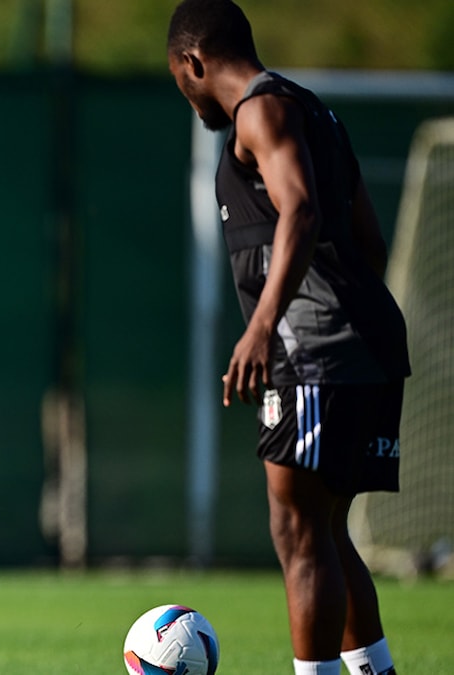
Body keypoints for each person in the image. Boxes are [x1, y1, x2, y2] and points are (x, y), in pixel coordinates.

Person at [166, 2, 410, 675]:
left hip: (315, 349)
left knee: (298, 529)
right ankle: (376, 670)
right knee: (324, 527)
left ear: (193, 62)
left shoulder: (259, 110)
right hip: (364, 343)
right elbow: (369, 240)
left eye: (179, 79)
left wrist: (264, 325)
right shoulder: (315, 112)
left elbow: (299, 207)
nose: (184, 92)